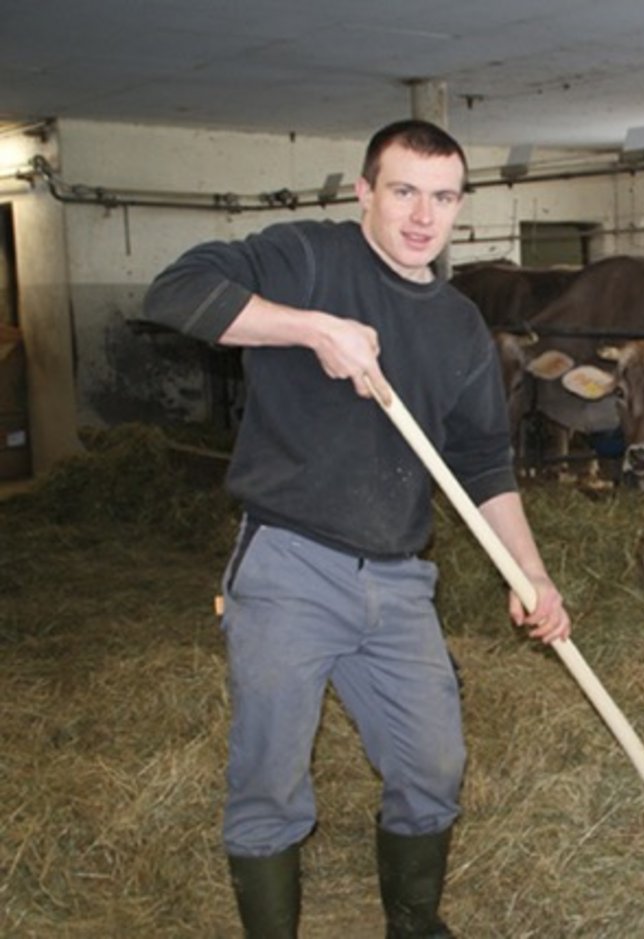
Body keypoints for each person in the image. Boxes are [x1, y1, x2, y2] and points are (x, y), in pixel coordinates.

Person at [143, 119, 571, 938]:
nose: (422, 216)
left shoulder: (457, 326)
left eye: (443, 198)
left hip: (401, 577)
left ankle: (412, 923)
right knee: (270, 779)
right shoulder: (310, 257)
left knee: (433, 763)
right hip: (290, 566)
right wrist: (310, 327)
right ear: (364, 191)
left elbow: (483, 461)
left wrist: (533, 573)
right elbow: (175, 289)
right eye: (403, 191)